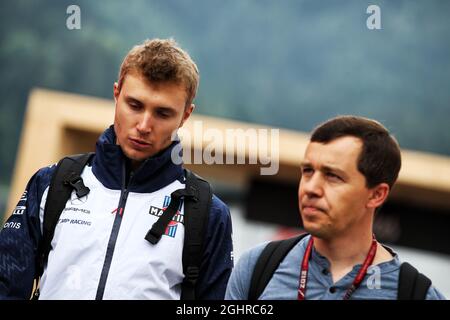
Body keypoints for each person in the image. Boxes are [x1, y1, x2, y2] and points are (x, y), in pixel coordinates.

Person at [0, 38, 233, 300]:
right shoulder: (52, 183)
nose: (144, 125)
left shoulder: (208, 214)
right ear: (116, 94)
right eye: (134, 105)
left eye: (162, 113)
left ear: (185, 116)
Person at [225, 115, 446, 300]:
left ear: (377, 194)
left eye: (333, 176)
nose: (311, 188)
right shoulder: (257, 268)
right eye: (308, 171)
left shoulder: (415, 293)